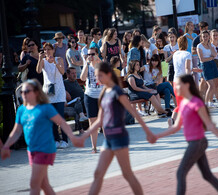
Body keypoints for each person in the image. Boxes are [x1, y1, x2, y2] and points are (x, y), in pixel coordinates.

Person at [80, 62, 155, 195]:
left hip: (119, 137)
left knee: (127, 174)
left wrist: (148, 132)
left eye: (100, 76)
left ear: (109, 75)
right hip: (108, 140)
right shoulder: (104, 92)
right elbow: (99, 121)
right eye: (96, 76)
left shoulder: (117, 91)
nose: (97, 79)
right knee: (98, 174)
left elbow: (134, 113)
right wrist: (83, 136)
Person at [1, 79, 83, 195]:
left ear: (36, 92)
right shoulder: (21, 110)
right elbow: (16, 131)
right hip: (32, 150)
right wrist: (6, 146)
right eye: (22, 92)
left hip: (45, 149)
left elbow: (62, 122)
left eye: (27, 91)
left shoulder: (45, 108)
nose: (24, 94)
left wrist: (73, 138)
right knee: (44, 184)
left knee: (34, 183)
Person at [154, 74, 218, 195]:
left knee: (180, 172)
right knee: (207, 175)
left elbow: (209, 125)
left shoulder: (196, 102)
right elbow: (175, 127)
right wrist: (157, 136)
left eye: (178, 85)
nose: (176, 87)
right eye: (175, 85)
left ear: (187, 85)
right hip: (196, 143)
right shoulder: (183, 104)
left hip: (197, 143)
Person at [36, 43, 68, 149]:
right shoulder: (43, 61)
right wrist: (40, 59)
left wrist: (54, 62)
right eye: (45, 50)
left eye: (49, 49)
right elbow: (38, 71)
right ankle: (56, 139)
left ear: (53, 50)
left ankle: (64, 139)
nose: (47, 52)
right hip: (48, 92)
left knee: (60, 116)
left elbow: (62, 72)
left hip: (59, 91)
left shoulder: (59, 59)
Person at [169, 36, 202, 125]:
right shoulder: (187, 54)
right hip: (184, 81)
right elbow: (187, 68)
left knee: (180, 104)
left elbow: (180, 67)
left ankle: (172, 119)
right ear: (186, 44)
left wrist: (194, 69)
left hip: (176, 81)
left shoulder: (175, 54)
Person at [80, 47, 103, 153]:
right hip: (89, 95)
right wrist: (87, 64)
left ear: (97, 54)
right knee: (92, 123)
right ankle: (94, 147)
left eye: (93, 54)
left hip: (102, 95)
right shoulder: (87, 65)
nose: (90, 56)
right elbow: (82, 78)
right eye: (88, 54)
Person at [197, 30, 218, 108]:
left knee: (213, 85)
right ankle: (205, 103)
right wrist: (210, 58)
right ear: (201, 37)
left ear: (209, 36)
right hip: (205, 66)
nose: (205, 38)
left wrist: (210, 47)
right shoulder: (199, 46)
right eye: (204, 36)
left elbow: (215, 54)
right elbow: (201, 59)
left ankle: (209, 102)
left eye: (206, 36)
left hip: (212, 64)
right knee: (211, 85)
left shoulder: (210, 45)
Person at [192, 21, 209, 89]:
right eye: (205, 29)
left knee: (209, 80)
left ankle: (209, 97)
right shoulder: (196, 39)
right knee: (203, 80)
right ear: (201, 29)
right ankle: (201, 96)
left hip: (209, 60)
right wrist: (201, 51)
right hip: (201, 61)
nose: (206, 30)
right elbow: (193, 52)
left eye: (207, 29)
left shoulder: (209, 37)